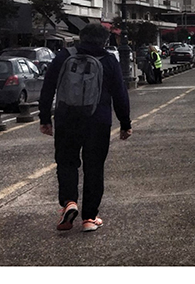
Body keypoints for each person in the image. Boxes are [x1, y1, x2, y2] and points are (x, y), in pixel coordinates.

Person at [38, 23, 132, 232]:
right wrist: (125, 124)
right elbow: (120, 95)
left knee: (66, 162)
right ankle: (89, 218)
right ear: (105, 41)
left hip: (66, 118)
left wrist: (45, 118)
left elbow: (48, 88)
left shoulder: (64, 56)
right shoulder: (109, 60)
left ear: (81, 38)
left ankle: (69, 202)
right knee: (94, 167)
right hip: (98, 121)